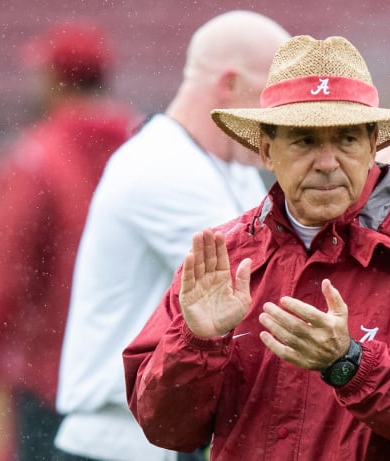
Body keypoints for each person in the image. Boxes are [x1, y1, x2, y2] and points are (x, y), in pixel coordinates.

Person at [123, 35, 390, 460]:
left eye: (345, 139)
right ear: (267, 150)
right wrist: (199, 343)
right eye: (305, 141)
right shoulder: (224, 258)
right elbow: (166, 428)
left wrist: (351, 364)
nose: (327, 163)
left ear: (373, 147)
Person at [53, 11, 290, 461]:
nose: (288, 117)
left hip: (150, 437)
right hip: (119, 444)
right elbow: (266, 289)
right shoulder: (162, 167)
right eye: (276, 97)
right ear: (230, 84)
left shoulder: (222, 165)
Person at [0, 21, 140, 461]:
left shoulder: (36, 156)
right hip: (136, 373)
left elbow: (7, 271)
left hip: (53, 373)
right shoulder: (142, 144)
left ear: (56, 79)